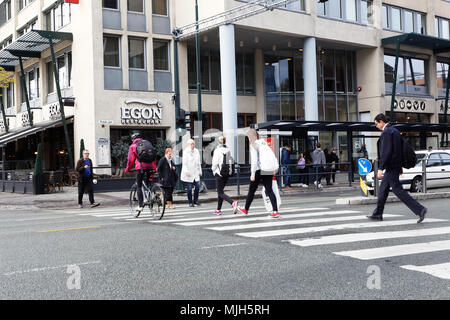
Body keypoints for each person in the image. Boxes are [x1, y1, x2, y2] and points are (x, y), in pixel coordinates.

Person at [367, 113, 427, 223]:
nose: (376, 126)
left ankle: (420, 209)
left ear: (381, 122)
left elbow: (387, 152)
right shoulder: (394, 131)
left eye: (376, 124)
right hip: (395, 165)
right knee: (383, 189)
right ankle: (377, 213)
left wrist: (381, 168)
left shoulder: (387, 132)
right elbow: (397, 151)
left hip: (391, 166)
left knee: (397, 189)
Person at [238, 129, 279, 218]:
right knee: (269, 190)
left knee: (251, 191)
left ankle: (245, 209)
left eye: (248, 137)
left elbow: (254, 161)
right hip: (267, 169)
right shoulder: (264, 143)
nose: (248, 138)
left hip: (259, 170)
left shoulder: (253, 145)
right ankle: (275, 211)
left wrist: (252, 174)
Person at [125, 132, 157, 213]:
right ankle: (153, 195)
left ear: (133, 139)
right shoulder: (148, 143)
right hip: (151, 166)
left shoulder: (133, 146)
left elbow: (130, 160)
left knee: (139, 185)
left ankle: (140, 205)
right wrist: (154, 167)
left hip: (141, 167)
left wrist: (127, 169)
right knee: (148, 183)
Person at [211, 136, 239, 215]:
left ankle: (232, 202)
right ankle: (218, 210)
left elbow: (215, 163)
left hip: (219, 174)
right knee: (221, 192)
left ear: (218, 142)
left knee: (220, 192)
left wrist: (213, 170)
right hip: (226, 174)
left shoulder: (217, 150)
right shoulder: (228, 150)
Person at [181, 139, 202, 207]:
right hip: (188, 173)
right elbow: (185, 163)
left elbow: (199, 162)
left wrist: (200, 171)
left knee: (198, 186)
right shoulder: (186, 151)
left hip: (195, 172)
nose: (193, 145)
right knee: (189, 188)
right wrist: (186, 171)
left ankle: (195, 200)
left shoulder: (196, 151)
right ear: (188, 145)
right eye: (191, 144)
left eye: (193, 144)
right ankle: (190, 202)